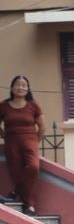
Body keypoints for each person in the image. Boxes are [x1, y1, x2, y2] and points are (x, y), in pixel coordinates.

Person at [0, 75, 46, 216]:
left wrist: (35, 142)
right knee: (18, 173)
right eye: (17, 85)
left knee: (33, 167)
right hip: (11, 143)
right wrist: (5, 136)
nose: (20, 88)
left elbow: (42, 127)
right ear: (12, 88)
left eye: (24, 85)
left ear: (28, 88)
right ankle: (30, 206)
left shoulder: (33, 105)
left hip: (30, 141)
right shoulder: (3, 106)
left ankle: (13, 193)